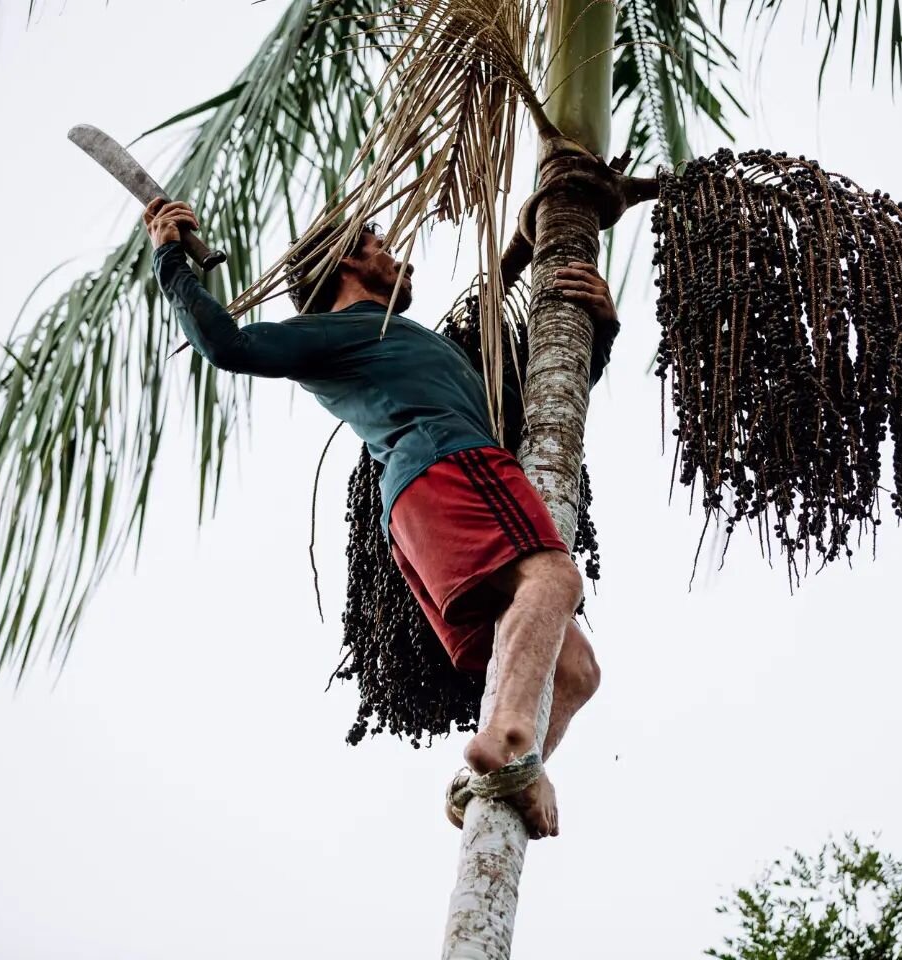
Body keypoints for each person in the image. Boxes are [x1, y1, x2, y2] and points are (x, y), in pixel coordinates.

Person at [144, 198, 619, 839]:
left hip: (425, 504)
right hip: (448, 465)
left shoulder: (409, 343)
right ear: (347, 259)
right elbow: (227, 344)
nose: (402, 258)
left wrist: (593, 320)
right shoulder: (341, 332)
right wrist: (172, 259)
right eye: (381, 246)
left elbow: (539, 402)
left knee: (577, 669)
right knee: (554, 578)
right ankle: (509, 743)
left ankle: (487, 775)